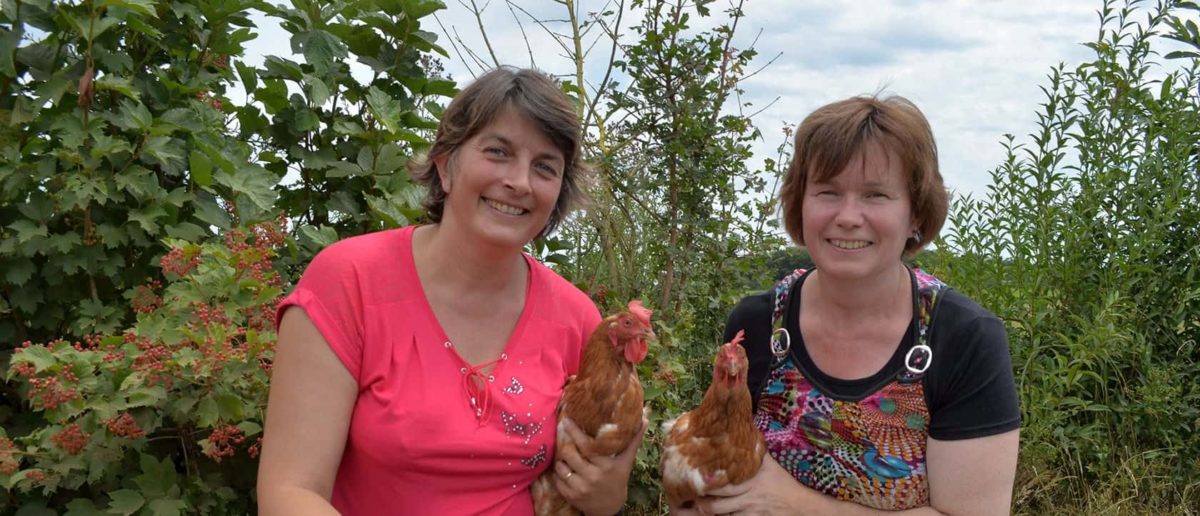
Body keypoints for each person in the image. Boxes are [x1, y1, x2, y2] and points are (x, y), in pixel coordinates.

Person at [257, 67, 643, 516]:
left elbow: (592, 490)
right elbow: (290, 493)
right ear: (445, 165)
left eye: (545, 167)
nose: (520, 181)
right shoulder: (349, 281)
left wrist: (606, 495)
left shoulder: (577, 318)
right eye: (498, 152)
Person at [694, 95, 1021, 515]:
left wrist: (795, 504)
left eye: (875, 195)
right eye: (828, 192)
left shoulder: (963, 338)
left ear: (916, 214)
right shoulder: (757, 324)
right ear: (800, 204)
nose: (848, 216)